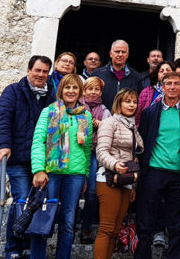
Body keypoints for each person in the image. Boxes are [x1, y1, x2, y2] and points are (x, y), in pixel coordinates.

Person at [0, 55, 56, 259]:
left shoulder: (52, 96)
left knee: (36, 203)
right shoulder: (13, 91)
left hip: (40, 161)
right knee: (21, 201)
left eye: (45, 72)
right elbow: (3, 117)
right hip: (18, 159)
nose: (40, 75)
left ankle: (29, 245)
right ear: (29, 70)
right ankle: (12, 249)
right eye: (37, 70)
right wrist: (4, 145)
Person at [30, 74, 93, 259]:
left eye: (75, 88)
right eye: (67, 88)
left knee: (68, 221)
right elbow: (38, 141)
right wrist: (38, 170)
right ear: (61, 90)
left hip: (75, 175)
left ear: (80, 92)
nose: (71, 91)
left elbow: (87, 148)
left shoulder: (85, 115)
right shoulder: (49, 111)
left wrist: (85, 175)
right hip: (52, 173)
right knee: (43, 218)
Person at [135, 71, 180, 259]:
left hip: (176, 173)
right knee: (146, 219)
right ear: (161, 86)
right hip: (153, 171)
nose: (172, 87)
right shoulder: (150, 113)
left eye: (176, 83)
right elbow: (143, 140)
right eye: (168, 83)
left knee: (175, 222)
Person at [94, 88, 143, 259]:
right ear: (118, 103)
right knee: (106, 229)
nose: (131, 105)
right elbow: (101, 151)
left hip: (126, 181)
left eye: (134, 102)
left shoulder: (130, 125)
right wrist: (115, 164)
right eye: (127, 101)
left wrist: (133, 185)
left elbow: (132, 157)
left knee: (115, 231)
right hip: (109, 179)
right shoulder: (110, 122)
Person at [80, 77, 110, 244]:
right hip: (76, 153)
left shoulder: (104, 111)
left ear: (101, 92)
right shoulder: (76, 108)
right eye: (89, 89)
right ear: (84, 90)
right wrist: (91, 123)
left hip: (93, 153)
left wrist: (101, 125)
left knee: (92, 192)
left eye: (96, 89)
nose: (93, 92)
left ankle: (86, 228)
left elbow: (109, 130)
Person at [94, 40, 145, 110]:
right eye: (117, 51)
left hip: (126, 119)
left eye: (123, 52)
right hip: (102, 119)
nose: (120, 54)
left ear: (127, 55)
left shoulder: (136, 77)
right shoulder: (98, 74)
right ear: (110, 54)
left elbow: (141, 102)